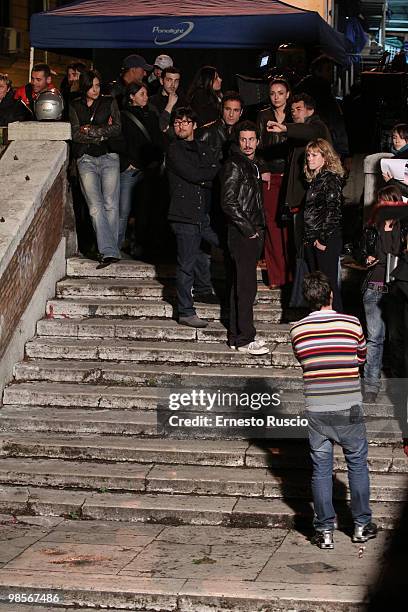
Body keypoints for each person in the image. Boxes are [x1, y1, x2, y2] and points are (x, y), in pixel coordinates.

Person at [290, 271, 377, 549]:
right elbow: (361, 357)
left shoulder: (297, 330)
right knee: (357, 464)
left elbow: (305, 363)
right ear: (330, 295)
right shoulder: (351, 323)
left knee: (321, 470)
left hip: (317, 408)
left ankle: (325, 530)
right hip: (348, 405)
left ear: (308, 300)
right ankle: (361, 524)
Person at [167, 106, 220, 328]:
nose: (181, 126)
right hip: (184, 215)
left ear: (194, 125)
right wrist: (206, 176)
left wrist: (206, 176)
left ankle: (204, 290)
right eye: (177, 122)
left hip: (203, 214)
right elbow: (194, 174)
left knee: (209, 252)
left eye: (186, 122)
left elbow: (216, 169)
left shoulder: (204, 147)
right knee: (186, 264)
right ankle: (186, 312)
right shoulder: (173, 150)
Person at [221, 120, 268, 355]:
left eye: (252, 139)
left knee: (240, 286)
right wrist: (249, 230)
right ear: (238, 141)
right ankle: (245, 338)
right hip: (242, 233)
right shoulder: (234, 164)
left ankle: (235, 336)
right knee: (246, 287)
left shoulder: (252, 165)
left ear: (258, 141)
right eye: (243, 139)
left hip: (249, 231)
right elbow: (228, 201)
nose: (248, 144)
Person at [69, 69, 122, 268]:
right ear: (84, 86)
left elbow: (117, 128)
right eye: (92, 86)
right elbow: (75, 134)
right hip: (86, 158)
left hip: (109, 156)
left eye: (98, 85)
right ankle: (109, 250)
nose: (95, 89)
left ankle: (109, 250)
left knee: (110, 203)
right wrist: (101, 133)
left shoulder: (109, 102)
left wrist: (93, 131)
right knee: (94, 206)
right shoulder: (75, 105)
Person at [267, 93, 332, 255]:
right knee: (299, 249)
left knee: (307, 249)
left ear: (310, 111)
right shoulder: (298, 134)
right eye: (292, 109)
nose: (294, 112)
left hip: (312, 200)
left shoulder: (318, 127)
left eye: (299, 109)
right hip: (301, 200)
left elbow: (309, 131)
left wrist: (285, 128)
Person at [360, 185, 408, 403]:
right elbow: (360, 250)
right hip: (375, 286)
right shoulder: (372, 227)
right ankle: (371, 386)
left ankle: (398, 386)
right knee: (375, 338)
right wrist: (366, 257)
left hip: (396, 288)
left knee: (396, 339)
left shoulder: (404, 227)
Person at [114, 81, 165, 254]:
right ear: (131, 96)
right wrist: (128, 162)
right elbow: (119, 141)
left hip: (147, 170)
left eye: (146, 93)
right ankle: (117, 245)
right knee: (124, 209)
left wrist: (154, 163)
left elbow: (158, 142)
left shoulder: (151, 115)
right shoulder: (122, 116)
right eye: (141, 93)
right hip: (130, 170)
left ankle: (140, 247)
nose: (145, 97)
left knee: (144, 210)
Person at [257, 78, 292, 288]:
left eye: (280, 92)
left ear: (287, 94)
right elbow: (258, 146)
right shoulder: (263, 115)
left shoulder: (294, 114)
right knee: (272, 226)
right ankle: (276, 277)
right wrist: (264, 169)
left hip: (291, 176)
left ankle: (290, 276)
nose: (276, 97)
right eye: (272, 93)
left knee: (289, 228)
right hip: (271, 175)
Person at [303, 139, 345, 312]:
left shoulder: (330, 179)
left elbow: (334, 212)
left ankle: (339, 323)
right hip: (314, 239)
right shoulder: (316, 180)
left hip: (326, 240)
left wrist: (323, 240)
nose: (309, 159)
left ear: (325, 157)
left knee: (328, 286)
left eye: (314, 155)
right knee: (318, 287)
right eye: (308, 155)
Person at [295, 55, 350, 160]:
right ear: (318, 72)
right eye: (328, 70)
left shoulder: (312, 86)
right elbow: (335, 122)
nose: (332, 74)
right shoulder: (320, 89)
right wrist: (343, 151)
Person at [149, 66, 187, 132]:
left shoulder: (183, 100)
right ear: (161, 81)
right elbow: (159, 128)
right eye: (169, 80)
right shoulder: (152, 101)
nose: (173, 85)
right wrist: (170, 105)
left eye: (176, 81)